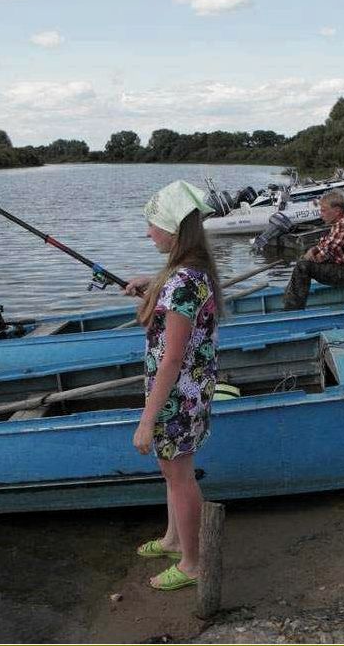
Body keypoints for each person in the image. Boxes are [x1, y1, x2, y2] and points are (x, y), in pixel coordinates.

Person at [122, 180, 223, 591]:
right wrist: (153, 286)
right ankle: (173, 539)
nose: (148, 234)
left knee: (178, 474)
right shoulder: (189, 273)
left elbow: (173, 357)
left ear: (172, 230)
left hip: (176, 396)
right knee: (172, 471)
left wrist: (147, 420)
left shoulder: (181, 283)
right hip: (189, 390)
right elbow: (178, 303)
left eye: (152, 226)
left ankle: (193, 563)